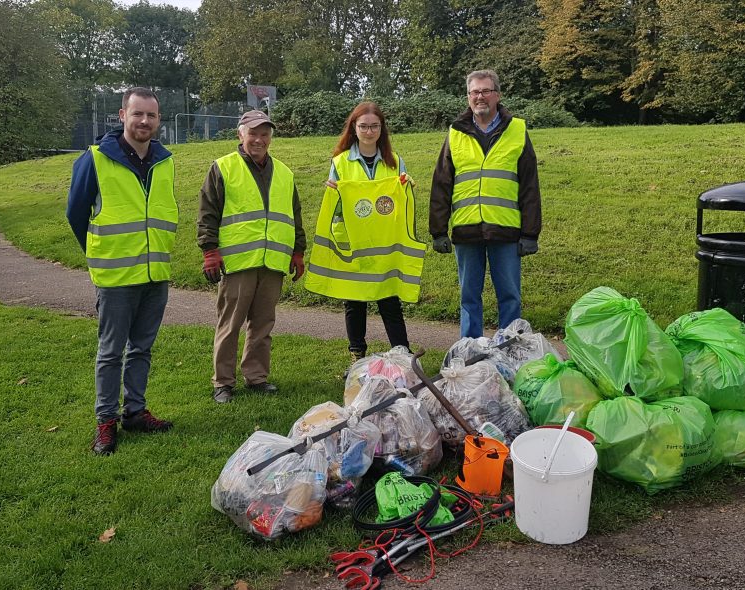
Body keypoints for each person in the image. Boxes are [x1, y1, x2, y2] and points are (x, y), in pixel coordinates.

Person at [66, 87, 176, 456]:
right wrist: (99, 252)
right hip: (115, 276)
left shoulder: (165, 160)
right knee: (111, 352)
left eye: (151, 116)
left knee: (142, 348)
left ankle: (135, 412)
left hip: (154, 272)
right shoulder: (95, 158)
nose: (144, 121)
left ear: (158, 120)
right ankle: (105, 422)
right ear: (122, 115)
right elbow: (76, 213)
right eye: (138, 114)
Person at [197, 110, 306, 404]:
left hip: (272, 262)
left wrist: (298, 251)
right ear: (240, 134)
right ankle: (223, 382)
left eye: (265, 133)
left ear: (271, 137)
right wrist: (210, 251)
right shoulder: (223, 167)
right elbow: (208, 213)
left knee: (263, 324)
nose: (259, 139)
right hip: (238, 262)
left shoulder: (284, 172)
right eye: (253, 133)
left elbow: (294, 215)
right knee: (230, 324)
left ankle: (256, 377)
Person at [429, 69, 542, 338]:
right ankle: (470, 355)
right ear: (468, 97)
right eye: (475, 92)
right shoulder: (455, 133)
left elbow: (529, 185)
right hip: (467, 230)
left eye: (486, 91)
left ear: (497, 95)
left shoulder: (517, 130)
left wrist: (530, 233)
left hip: (507, 231)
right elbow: (442, 183)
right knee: (469, 298)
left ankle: (511, 351)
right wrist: (438, 231)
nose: (480, 97)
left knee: (510, 297)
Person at [312, 102, 417, 366]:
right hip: (354, 243)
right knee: (355, 301)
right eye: (363, 126)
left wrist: (407, 189)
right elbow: (336, 209)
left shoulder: (395, 163)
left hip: (385, 243)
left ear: (382, 129)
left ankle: (402, 354)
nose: (369, 131)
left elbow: (400, 204)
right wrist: (333, 192)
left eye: (374, 126)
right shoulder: (340, 163)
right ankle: (356, 356)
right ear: (354, 129)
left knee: (389, 300)